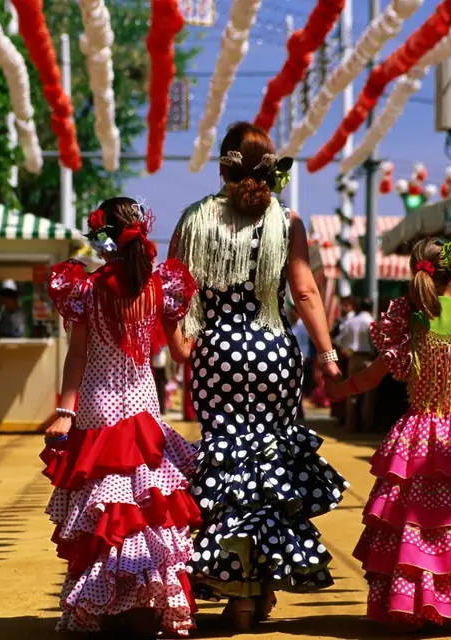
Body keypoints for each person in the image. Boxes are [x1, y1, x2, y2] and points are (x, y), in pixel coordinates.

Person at [171, 121, 348, 631]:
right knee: (270, 473)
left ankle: (238, 593)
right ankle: (260, 589)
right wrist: (328, 353)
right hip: (272, 350)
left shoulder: (195, 220)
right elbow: (307, 292)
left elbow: (175, 292)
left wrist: (180, 343)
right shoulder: (285, 221)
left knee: (227, 467)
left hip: (217, 353)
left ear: (225, 166)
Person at [326, 237, 451, 632]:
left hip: (416, 436)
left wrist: (337, 389)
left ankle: (411, 604)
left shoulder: (409, 326)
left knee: (413, 524)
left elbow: (371, 377)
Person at [42, 197, 200, 638]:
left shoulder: (86, 289)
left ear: (103, 238)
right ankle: (146, 602)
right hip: (143, 408)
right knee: (145, 506)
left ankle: (104, 603)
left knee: (106, 507)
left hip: (95, 409)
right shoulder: (160, 287)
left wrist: (64, 412)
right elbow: (184, 351)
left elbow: (77, 356)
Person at [336, 297, 375, 431]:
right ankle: (367, 424)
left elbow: (340, 341)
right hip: (367, 359)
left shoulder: (351, 322)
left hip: (353, 358)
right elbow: (375, 343)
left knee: (352, 392)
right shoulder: (371, 321)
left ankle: (350, 424)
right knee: (368, 395)